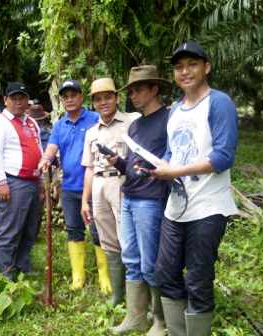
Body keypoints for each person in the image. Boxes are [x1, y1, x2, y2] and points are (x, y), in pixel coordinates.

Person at [151, 41, 238, 336]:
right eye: (178, 67)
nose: (185, 71)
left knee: (198, 278)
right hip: (176, 207)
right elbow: (173, 153)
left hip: (209, 206)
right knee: (165, 272)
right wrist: (157, 167)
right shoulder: (175, 110)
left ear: (206, 67)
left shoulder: (219, 102)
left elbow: (223, 156)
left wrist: (175, 170)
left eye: (192, 64)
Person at [110, 66, 170, 336]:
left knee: (150, 262)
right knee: (131, 258)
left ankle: (160, 320)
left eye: (139, 89)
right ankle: (136, 317)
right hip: (130, 196)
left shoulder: (170, 119)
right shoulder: (135, 125)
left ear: (154, 89)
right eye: (131, 90)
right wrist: (118, 163)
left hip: (151, 200)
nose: (133, 94)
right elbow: (133, 166)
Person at [39, 79, 111, 293]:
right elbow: (52, 148)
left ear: (81, 97)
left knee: (99, 230)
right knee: (73, 229)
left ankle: (105, 277)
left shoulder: (95, 118)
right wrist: (45, 159)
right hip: (70, 186)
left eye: (73, 95)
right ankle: (77, 276)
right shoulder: (60, 125)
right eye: (65, 96)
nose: (69, 99)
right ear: (62, 100)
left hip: (95, 184)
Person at [81, 78, 132, 306]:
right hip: (99, 187)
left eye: (108, 97)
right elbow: (89, 168)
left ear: (117, 98)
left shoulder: (131, 122)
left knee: (127, 239)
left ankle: (135, 297)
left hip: (122, 183)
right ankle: (117, 294)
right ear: (93, 103)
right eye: (98, 99)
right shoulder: (91, 132)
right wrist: (85, 201)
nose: (103, 102)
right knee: (108, 241)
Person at [0, 82, 43, 280]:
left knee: (30, 227)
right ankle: (5, 272)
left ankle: (22, 264)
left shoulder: (30, 122)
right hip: (13, 182)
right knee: (9, 229)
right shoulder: (0, 124)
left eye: (22, 98)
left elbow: (39, 149)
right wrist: (1, 182)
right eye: (14, 98)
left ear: (27, 100)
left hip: (33, 181)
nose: (19, 102)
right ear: (6, 100)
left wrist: (41, 179)